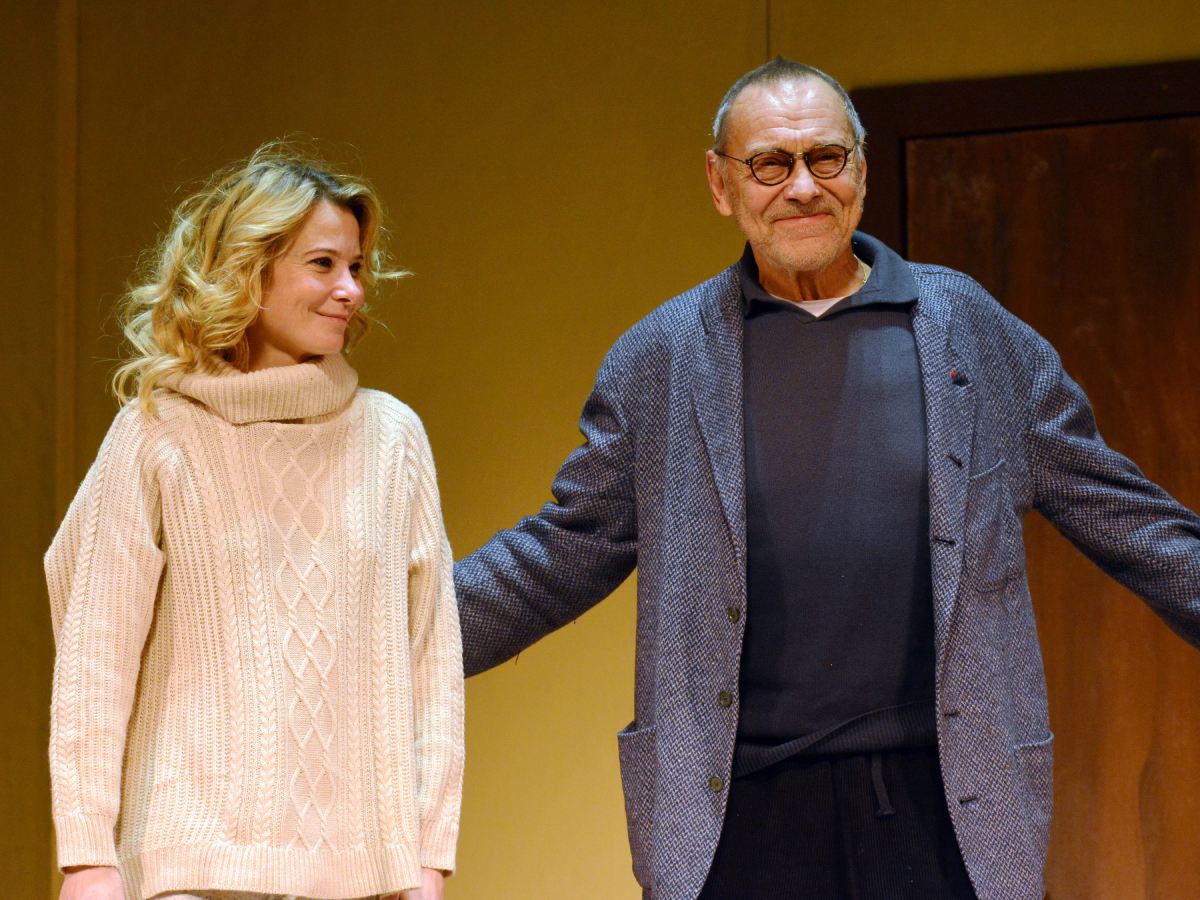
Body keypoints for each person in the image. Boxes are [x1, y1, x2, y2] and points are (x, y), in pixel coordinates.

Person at [453, 58, 1200, 900]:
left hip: (947, 802)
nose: (803, 186)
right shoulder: (662, 358)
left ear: (862, 172)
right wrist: (390, 641)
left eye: (826, 158)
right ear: (721, 184)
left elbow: (1125, 515)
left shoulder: (970, 329)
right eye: (770, 164)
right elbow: (559, 551)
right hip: (738, 814)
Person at [47, 144, 463, 900]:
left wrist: (430, 859)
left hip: (366, 875)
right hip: (187, 866)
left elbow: (431, 661)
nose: (350, 290)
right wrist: (86, 856)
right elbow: (94, 657)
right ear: (249, 271)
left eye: (357, 267)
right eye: (323, 264)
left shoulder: (392, 438)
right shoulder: (159, 433)